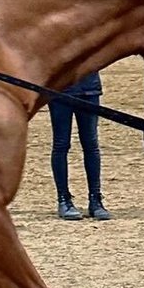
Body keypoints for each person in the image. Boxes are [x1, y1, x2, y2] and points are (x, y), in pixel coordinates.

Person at [50, 72, 112, 221]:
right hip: (60, 89)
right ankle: (64, 199)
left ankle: (95, 199)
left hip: (89, 88)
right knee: (61, 144)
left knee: (91, 144)